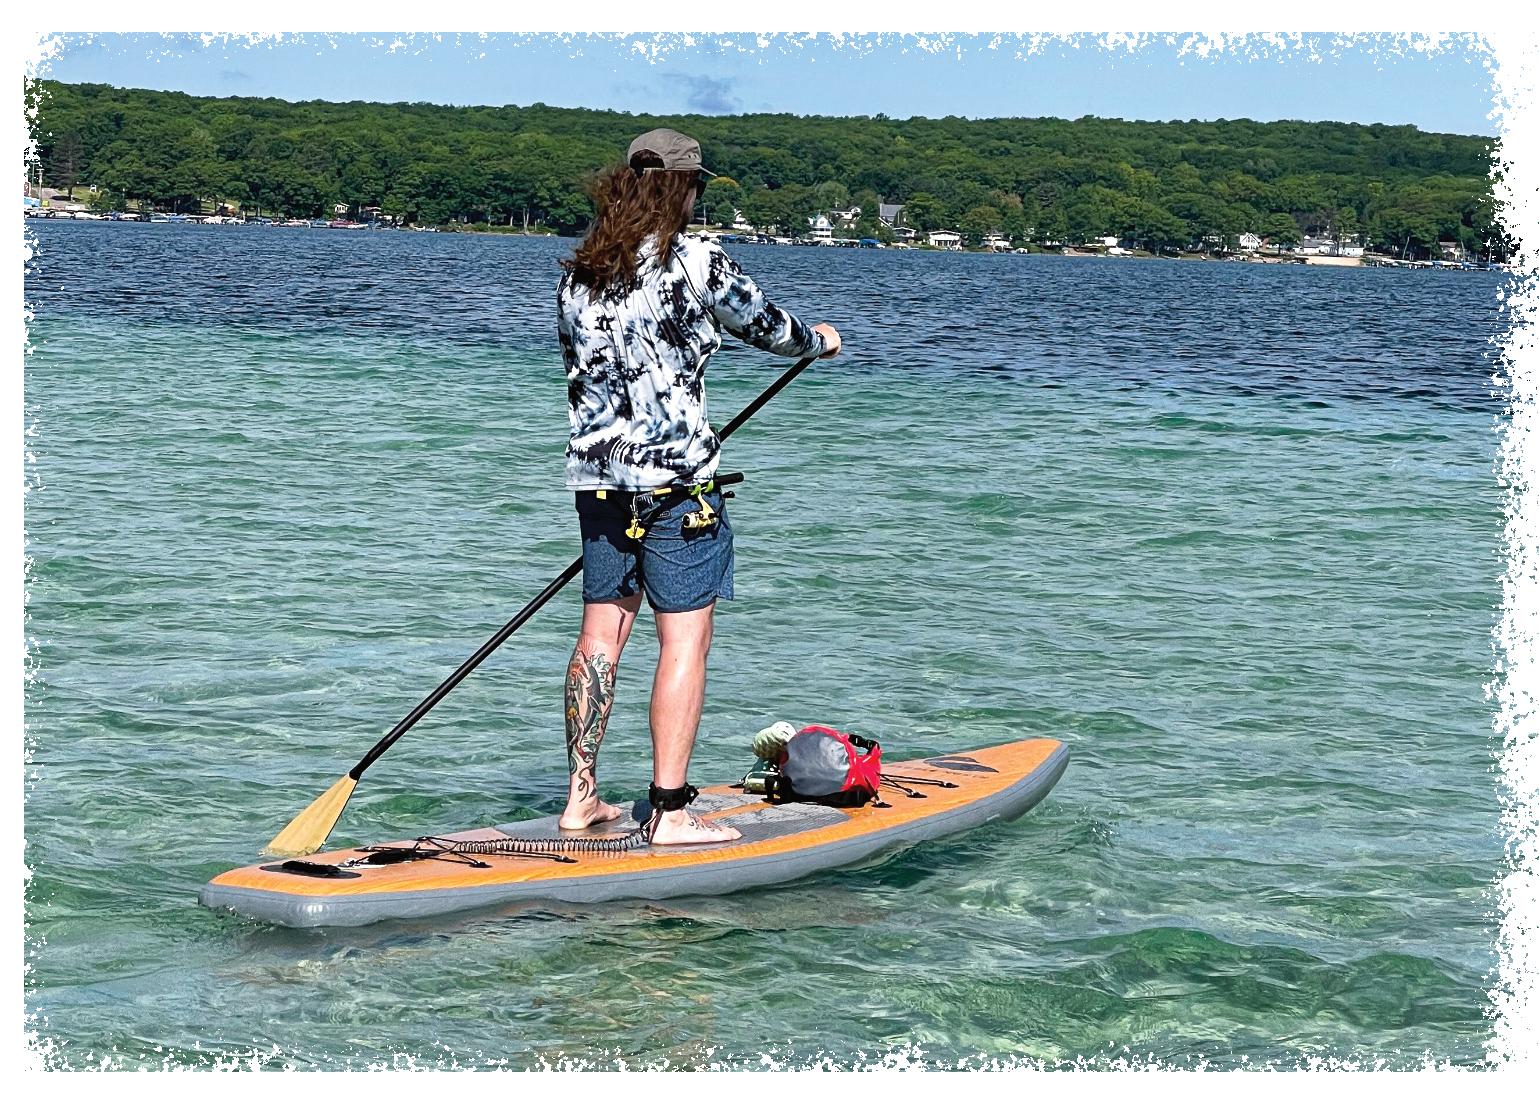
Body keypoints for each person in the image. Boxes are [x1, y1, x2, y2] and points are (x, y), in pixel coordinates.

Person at [556, 128, 841, 845]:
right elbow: (769, 328)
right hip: (678, 488)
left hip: (599, 481)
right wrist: (819, 342)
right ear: (681, 189)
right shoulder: (696, 260)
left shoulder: (581, 272)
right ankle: (671, 810)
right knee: (683, 641)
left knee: (600, 636)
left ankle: (580, 799)